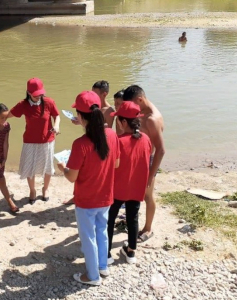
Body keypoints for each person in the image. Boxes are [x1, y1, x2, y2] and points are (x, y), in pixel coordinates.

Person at [57, 91, 120, 286]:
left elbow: (71, 177)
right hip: (106, 196)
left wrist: (62, 167)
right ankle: (103, 266)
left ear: (82, 117)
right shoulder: (111, 134)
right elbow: (116, 164)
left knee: (88, 237)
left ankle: (92, 276)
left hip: (86, 200)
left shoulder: (80, 144)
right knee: (102, 231)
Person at [107, 102, 152, 264]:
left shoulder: (117, 141)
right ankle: (131, 251)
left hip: (117, 188)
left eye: (118, 120)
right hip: (136, 187)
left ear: (123, 122)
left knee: (110, 219)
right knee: (133, 218)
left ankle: (106, 254)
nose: (117, 122)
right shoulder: (146, 139)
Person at [122, 85, 165, 243]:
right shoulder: (144, 108)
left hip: (148, 160)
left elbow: (160, 150)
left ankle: (148, 228)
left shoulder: (152, 119)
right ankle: (132, 219)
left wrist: (151, 175)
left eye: (133, 105)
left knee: (147, 195)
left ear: (139, 99)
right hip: (138, 157)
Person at [7, 78, 60, 204]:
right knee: (30, 167)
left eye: (41, 94)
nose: (39, 97)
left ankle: (45, 189)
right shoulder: (23, 105)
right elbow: (8, 115)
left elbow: (56, 115)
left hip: (47, 140)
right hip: (30, 141)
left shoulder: (49, 102)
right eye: (36, 95)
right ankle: (32, 190)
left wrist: (57, 125)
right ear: (29, 93)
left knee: (48, 167)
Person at [62, 80, 115, 205]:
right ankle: (76, 196)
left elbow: (105, 132)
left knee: (85, 172)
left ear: (104, 94)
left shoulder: (109, 111)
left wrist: (63, 168)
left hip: (98, 145)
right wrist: (80, 121)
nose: (93, 95)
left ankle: (82, 196)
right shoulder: (92, 109)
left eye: (95, 93)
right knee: (82, 170)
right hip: (89, 141)